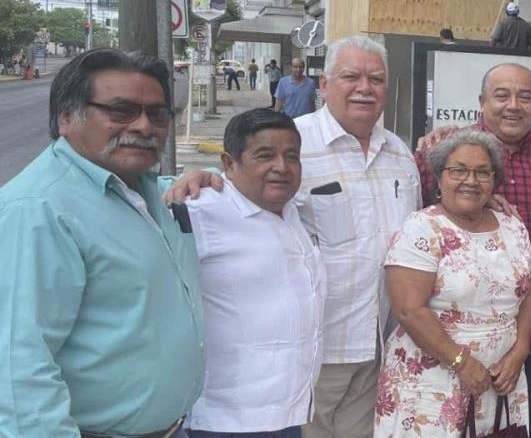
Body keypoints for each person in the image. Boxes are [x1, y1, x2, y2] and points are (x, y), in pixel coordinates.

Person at [163, 35, 421, 438]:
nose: (364, 88)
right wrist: (192, 180)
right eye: (351, 76)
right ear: (325, 85)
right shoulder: (292, 145)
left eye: (377, 78)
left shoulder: (401, 155)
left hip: (378, 345)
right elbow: (237, 198)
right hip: (312, 354)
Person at [0, 48, 204, 437]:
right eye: (121, 111)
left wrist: (212, 176)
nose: (145, 126)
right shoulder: (38, 210)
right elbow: (16, 370)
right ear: (65, 117)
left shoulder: (145, 189)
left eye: (157, 113)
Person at [414, 63, 531, 438]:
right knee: (460, 422)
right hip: (462, 328)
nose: (513, 105)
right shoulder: (447, 151)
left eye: (524, 97)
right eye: (502, 95)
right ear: (481, 102)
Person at [374, 129, 531, 437]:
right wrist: (462, 363)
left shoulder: (512, 226)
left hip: (501, 380)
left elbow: (529, 289)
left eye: (482, 172)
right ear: (439, 176)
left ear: (495, 179)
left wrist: (521, 349)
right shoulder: (422, 228)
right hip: (433, 381)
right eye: (458, 170)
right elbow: (409, 310)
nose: (470, 181)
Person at [183, 109, 326, 438]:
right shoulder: (200, 211)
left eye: (292, 156)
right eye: (265, 155)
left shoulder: (292, 212)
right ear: (229, 163)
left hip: (289, 415)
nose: (282, 166)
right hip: (227, 421)